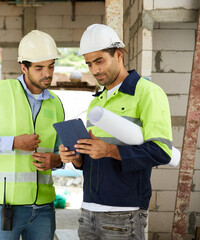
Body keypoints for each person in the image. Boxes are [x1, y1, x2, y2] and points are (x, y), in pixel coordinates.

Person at [59, 24, 173, 240]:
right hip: (88, 211)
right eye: (89, 64)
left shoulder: (147, 93)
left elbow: (162, 152)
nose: (94, 70)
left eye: (99, 61)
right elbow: (93, 160)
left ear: (118, 55)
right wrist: (76, 158)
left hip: (124, 213)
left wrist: (111, 150)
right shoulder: (97, 103)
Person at [0, 30, 65, 240]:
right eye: (39, 67)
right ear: (24, 67)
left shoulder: (56, 103)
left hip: (44, 209)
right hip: (5, 208)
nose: (47, 73)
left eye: (51, 66)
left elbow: (61, 153)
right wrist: (13, 142)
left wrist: (57, 160)